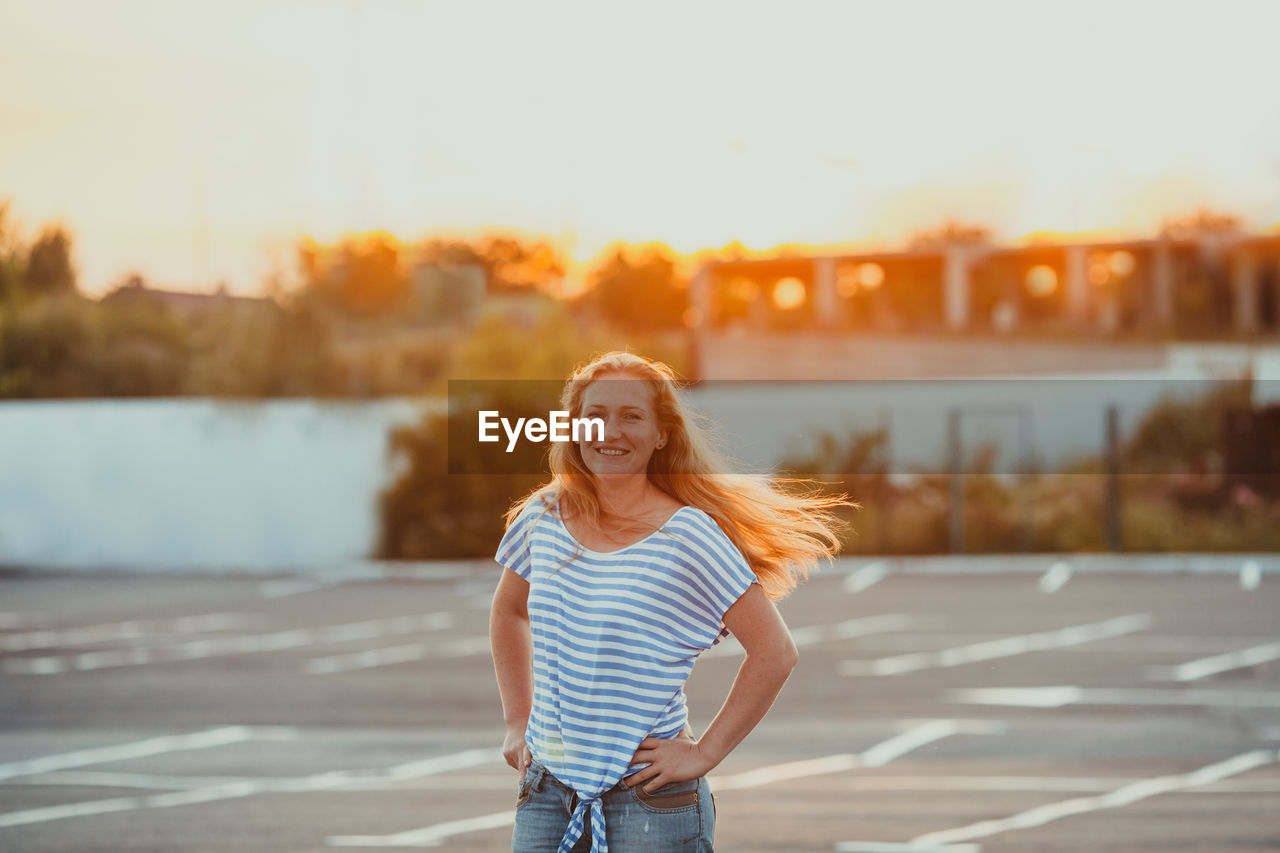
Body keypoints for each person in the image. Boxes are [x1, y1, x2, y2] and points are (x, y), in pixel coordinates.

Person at [489, 352, 849, 852]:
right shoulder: (543, 516)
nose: (610, 431)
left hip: (650, 799)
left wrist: (704, 753)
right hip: (548, 791)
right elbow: (508, 611)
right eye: (595, 416)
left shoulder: (689, 535)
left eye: (631, 416)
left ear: (662, 434)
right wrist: (515, 721)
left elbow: (775, 651)